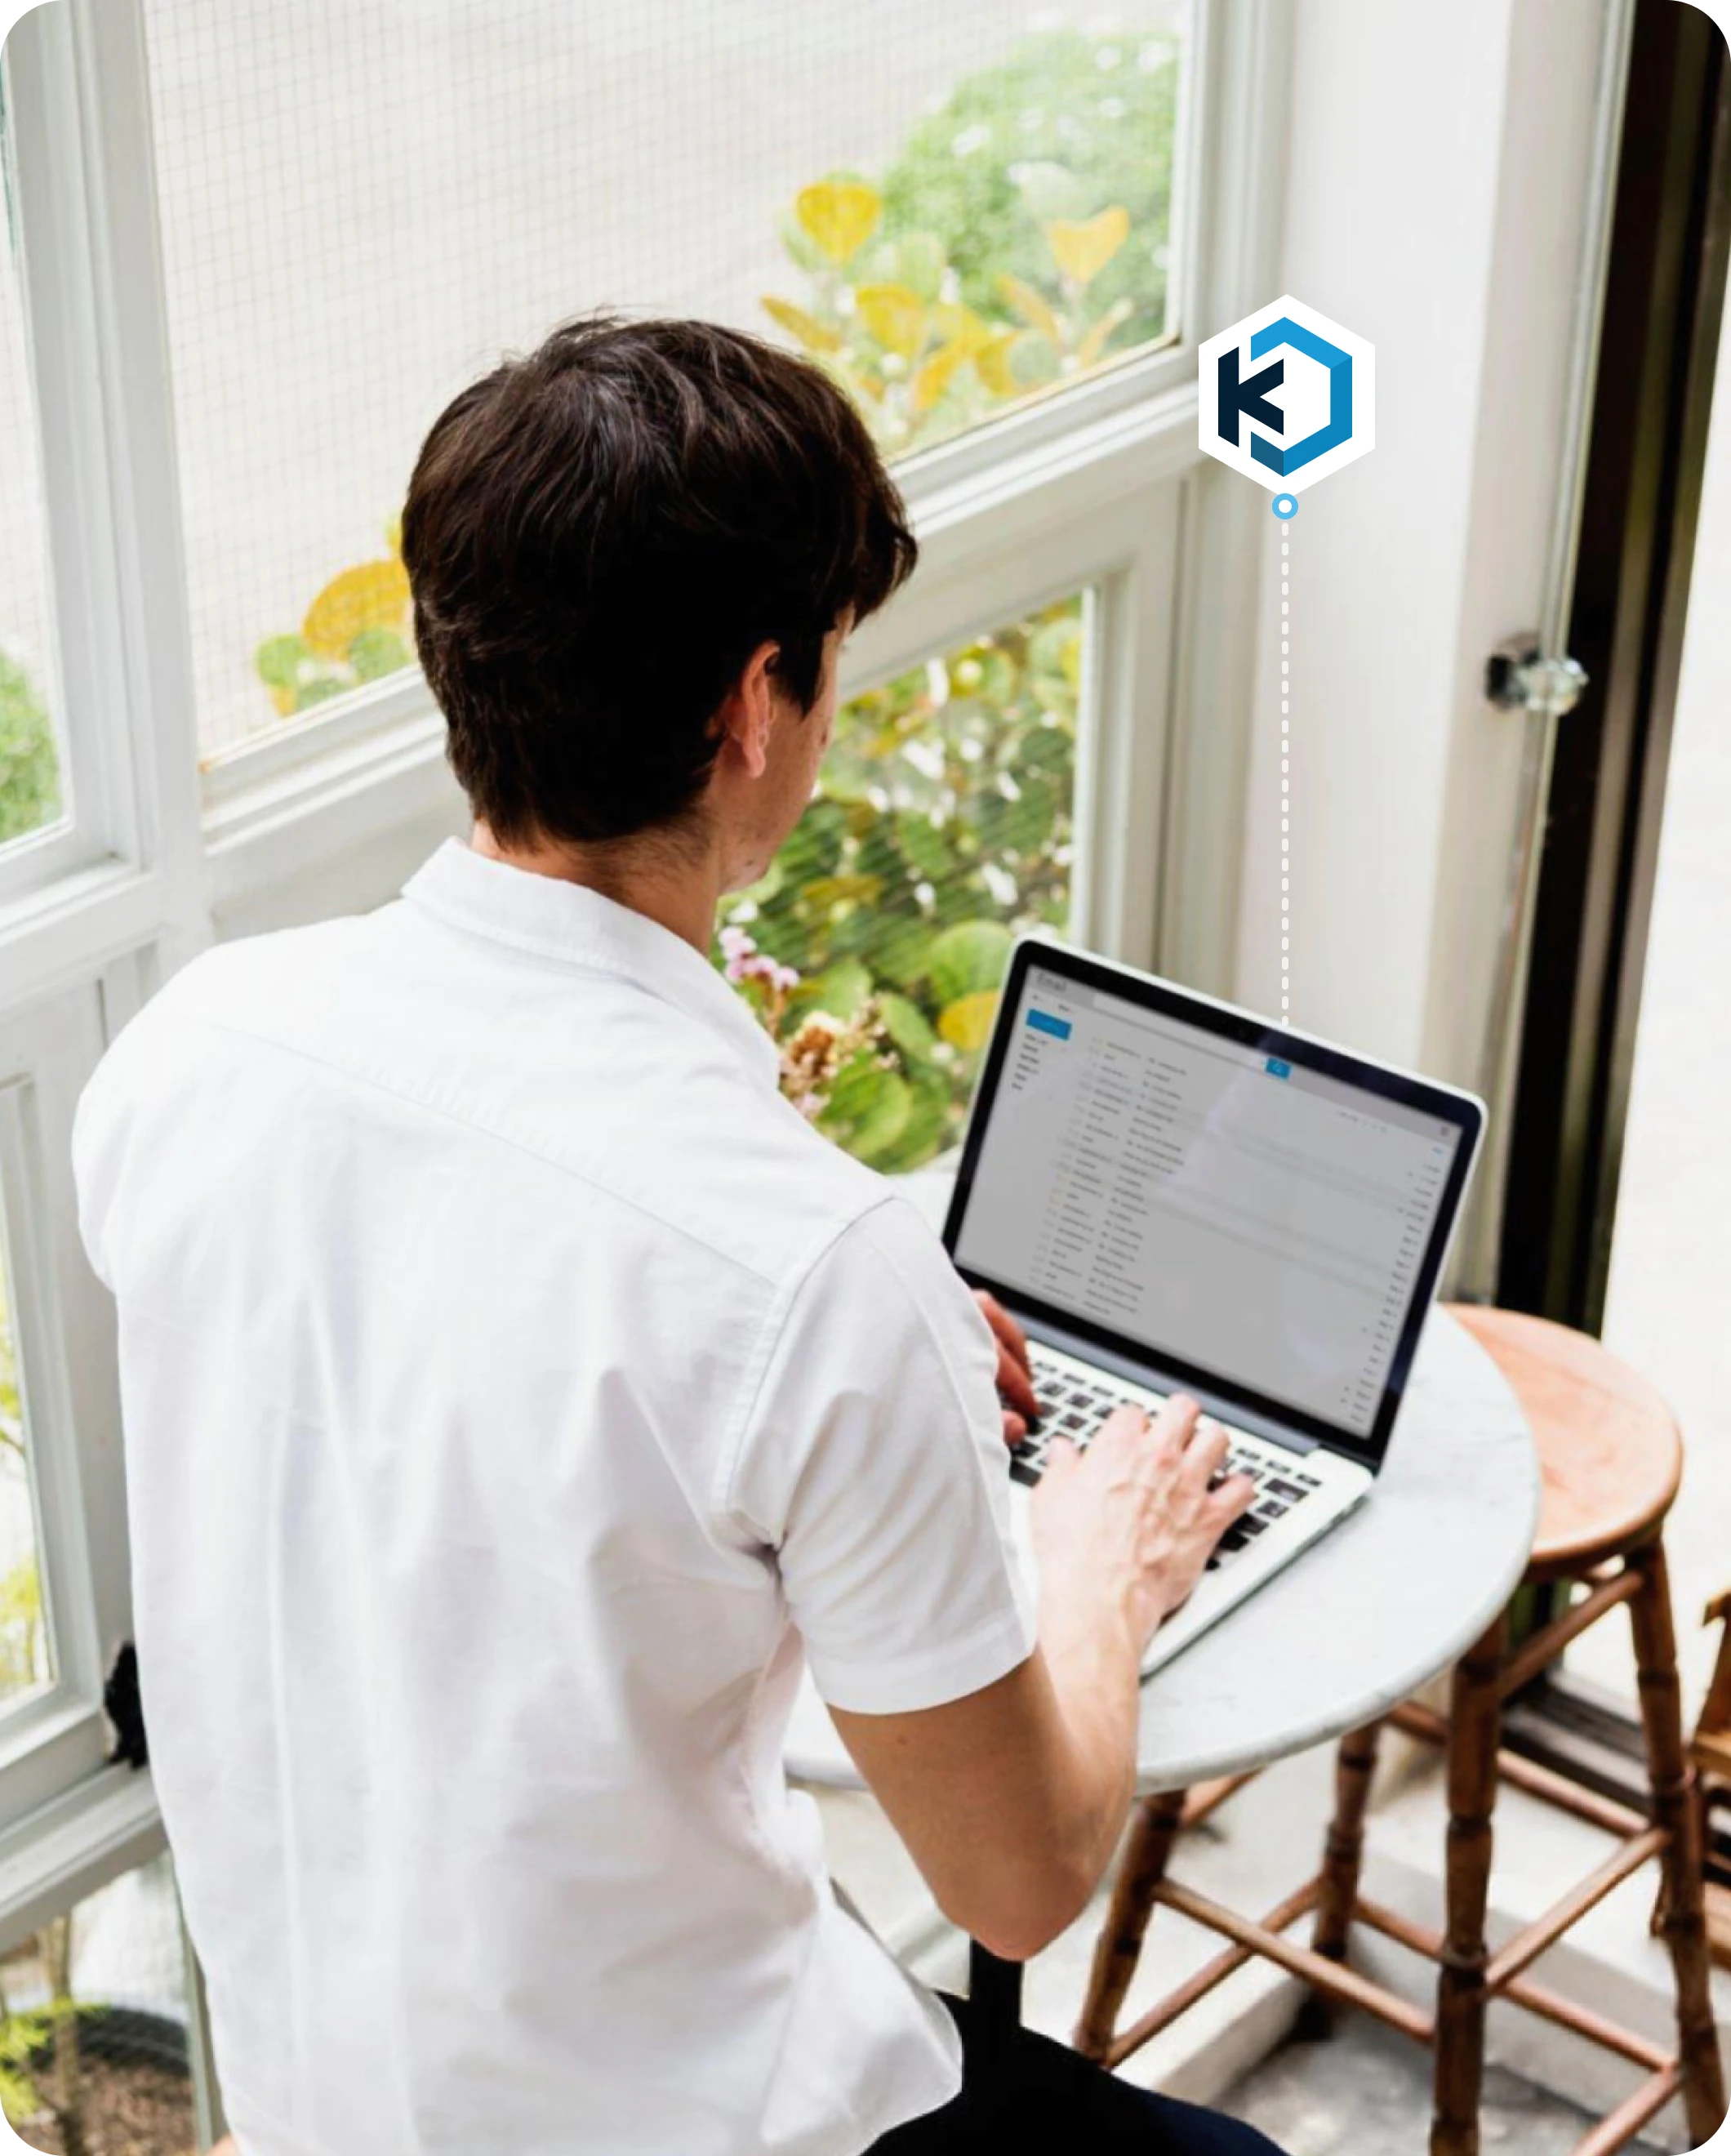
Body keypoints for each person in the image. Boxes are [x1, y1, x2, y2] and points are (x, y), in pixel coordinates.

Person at [73, 316, 1287, 2156]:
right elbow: (1021, 1882)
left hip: (324, 2091)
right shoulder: (815, 1275)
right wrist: (1097, 1567)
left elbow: (449, 1336)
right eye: (832, 659)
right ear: (749, 709)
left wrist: (842, 1387)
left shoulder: (190, 1051)